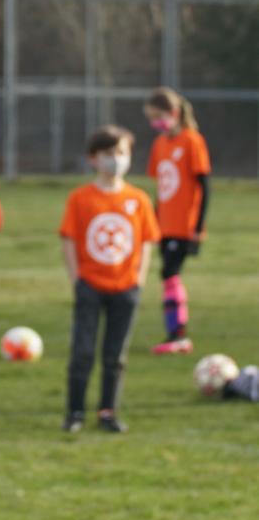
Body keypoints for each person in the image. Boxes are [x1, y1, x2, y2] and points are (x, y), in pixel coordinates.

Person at [59, 125, 160, 433]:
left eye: (121, 153)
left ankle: (108, 412)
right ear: (93, 158)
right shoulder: (81, 198)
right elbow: (69, 239)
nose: (115, 159)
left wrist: (139, 279)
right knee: (83, 352)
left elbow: (146, 240)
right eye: (108, 153)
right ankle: (75, 412)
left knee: (115, 355)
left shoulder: (138, 199)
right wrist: (77, 279)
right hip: (90, 286)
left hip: (125, 287)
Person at [144, 86, 211, 355]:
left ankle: (178, 335)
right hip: (165, 224)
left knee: (170, 273)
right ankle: (175, 333)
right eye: (151, 118)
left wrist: (198, 226)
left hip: (184, 224)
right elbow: (161, 188)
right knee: (168, 275)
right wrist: (154, 222)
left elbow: (205, 186)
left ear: (173, 113)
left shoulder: (192, 141)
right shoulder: (160, 144)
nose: (155, 123)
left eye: (158, 116)